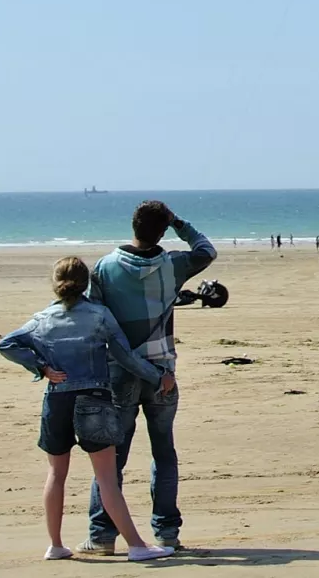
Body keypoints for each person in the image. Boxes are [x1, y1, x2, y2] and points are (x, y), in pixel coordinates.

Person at [0, 256, 175, 563]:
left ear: (55, 284)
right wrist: (158, 376)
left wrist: (41, 367)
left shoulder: (42, 319)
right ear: (86, 284)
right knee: (106, 478)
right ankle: (136, 545)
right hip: (93, 398)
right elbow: (125, 357)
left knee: (56, 474)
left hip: (56, 400)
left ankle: (55, 545)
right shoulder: (99, 315)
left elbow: (7, 344)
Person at [81, 201, 216, 555]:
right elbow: (205, 250)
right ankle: (167, 533)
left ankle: (101, 534)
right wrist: (179, 224)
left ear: (133, 226)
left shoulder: (106, 267)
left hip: (119, 370)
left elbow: (96, 318)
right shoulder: (172, 265)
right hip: (162, 372)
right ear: (163, 228)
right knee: (163, 452)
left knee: (112, 458)